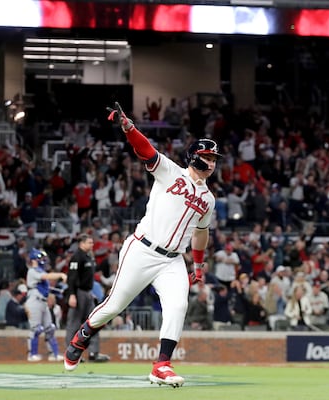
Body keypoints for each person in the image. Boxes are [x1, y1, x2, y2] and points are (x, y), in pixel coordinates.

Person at [63, 102, 221, 387]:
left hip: (173, 260)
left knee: (177, 305)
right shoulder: (171, 172)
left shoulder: (208, 200)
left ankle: (162, 364)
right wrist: (129, 128)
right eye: (206, 157)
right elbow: (146, 151)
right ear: (193, 157)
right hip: (143, 249)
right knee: (114, 306)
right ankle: (84, 333)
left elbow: (201, 233)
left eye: (214, 158)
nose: (211, 162)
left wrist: (198, 264)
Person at [64, 233, 110, 363]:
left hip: (88, 293)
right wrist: (72, 294)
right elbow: (71, 277)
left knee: (94, 322)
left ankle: (93, 353)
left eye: (92, 242)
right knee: (74, 323)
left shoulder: (88, 257)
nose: (92, 245)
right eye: (89, 243)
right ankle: (71, 352)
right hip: (78, 292)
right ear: (82, 243)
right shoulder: (76, 257)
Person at [25, 248, 67, 362]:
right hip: (34, 301)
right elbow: (46, 277)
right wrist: (61, 275)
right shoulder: (32, 271)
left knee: (50, 328)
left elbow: (45, 288)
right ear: (34, 259)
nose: (43, 260)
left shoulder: (40, 271)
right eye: (41, 258)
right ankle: (32, 354)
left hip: (43, 302)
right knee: (36, 329)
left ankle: (54, 354)